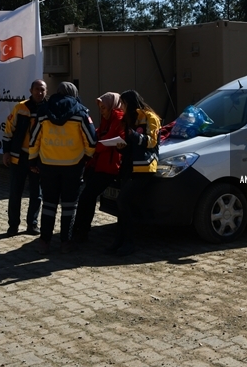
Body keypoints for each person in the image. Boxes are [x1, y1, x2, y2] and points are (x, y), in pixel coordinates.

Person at [28, 82, 96, 254]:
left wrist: (32, 161)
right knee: (69, 206)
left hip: (47, 165)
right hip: (73, 166)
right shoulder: (81, 112)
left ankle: (44, 241)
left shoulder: (43, 111)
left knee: (49, 203)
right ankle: (66, 242)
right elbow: (91, 140)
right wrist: (86, 156)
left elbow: (34, 138)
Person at [106, 90, 161, 257]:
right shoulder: (128, 119)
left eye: (123, 103)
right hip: (128, 166)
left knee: (123, 201)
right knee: (122, 204)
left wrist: (135, 135)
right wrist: (120, 146)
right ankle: (120, 240)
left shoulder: (150, 117)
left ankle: (129, 242)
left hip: (144, 168)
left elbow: (152, 142)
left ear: (130, 102)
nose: (121, 107)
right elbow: (131, 144)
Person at [72, 92, 125, 244]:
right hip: (99, 166)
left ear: (112, 106)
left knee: (86, 198)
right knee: (87, 199)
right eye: (100, 107)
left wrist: (94, 144)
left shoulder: (118, 118)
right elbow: (98, 134)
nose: (101, 110)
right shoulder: (107, 120)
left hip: (108, 168)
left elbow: (108, 140)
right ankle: (81, 231)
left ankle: (80, 231)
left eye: (104, 107)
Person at [2, 79, 46, 236]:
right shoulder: (20, 108)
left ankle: (32, 224)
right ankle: (13, 225)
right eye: (37, 89)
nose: (40, 93)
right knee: (15, 192)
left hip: (38, 158)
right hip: (19, 157)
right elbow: (8, 130)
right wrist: (6, 152)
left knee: (37, 194)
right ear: (31, 90)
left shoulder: (48, 110)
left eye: (42, 90)